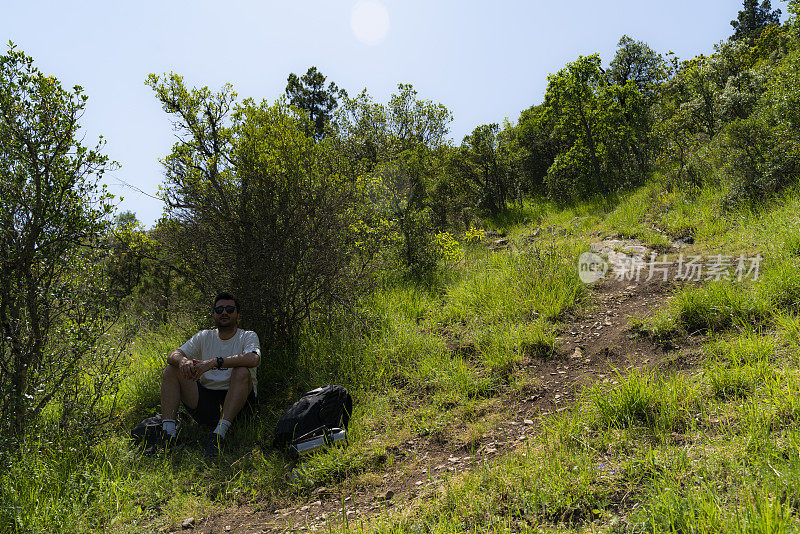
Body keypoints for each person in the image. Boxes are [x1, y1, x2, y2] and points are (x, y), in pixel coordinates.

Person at [159, 292, 260, 457]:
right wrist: (183, 361)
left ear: (238, 315)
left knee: (242, 370)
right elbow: (173, 355)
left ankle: (219, 435)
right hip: (207, 402)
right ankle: (168, 434)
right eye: (219, 309)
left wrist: (214, 362)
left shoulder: (247, 336)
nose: (224, 312)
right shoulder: (204, 336)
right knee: (172, 368)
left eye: (229, 309)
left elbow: (253, 358)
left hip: (239, 404)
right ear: (213, 315)